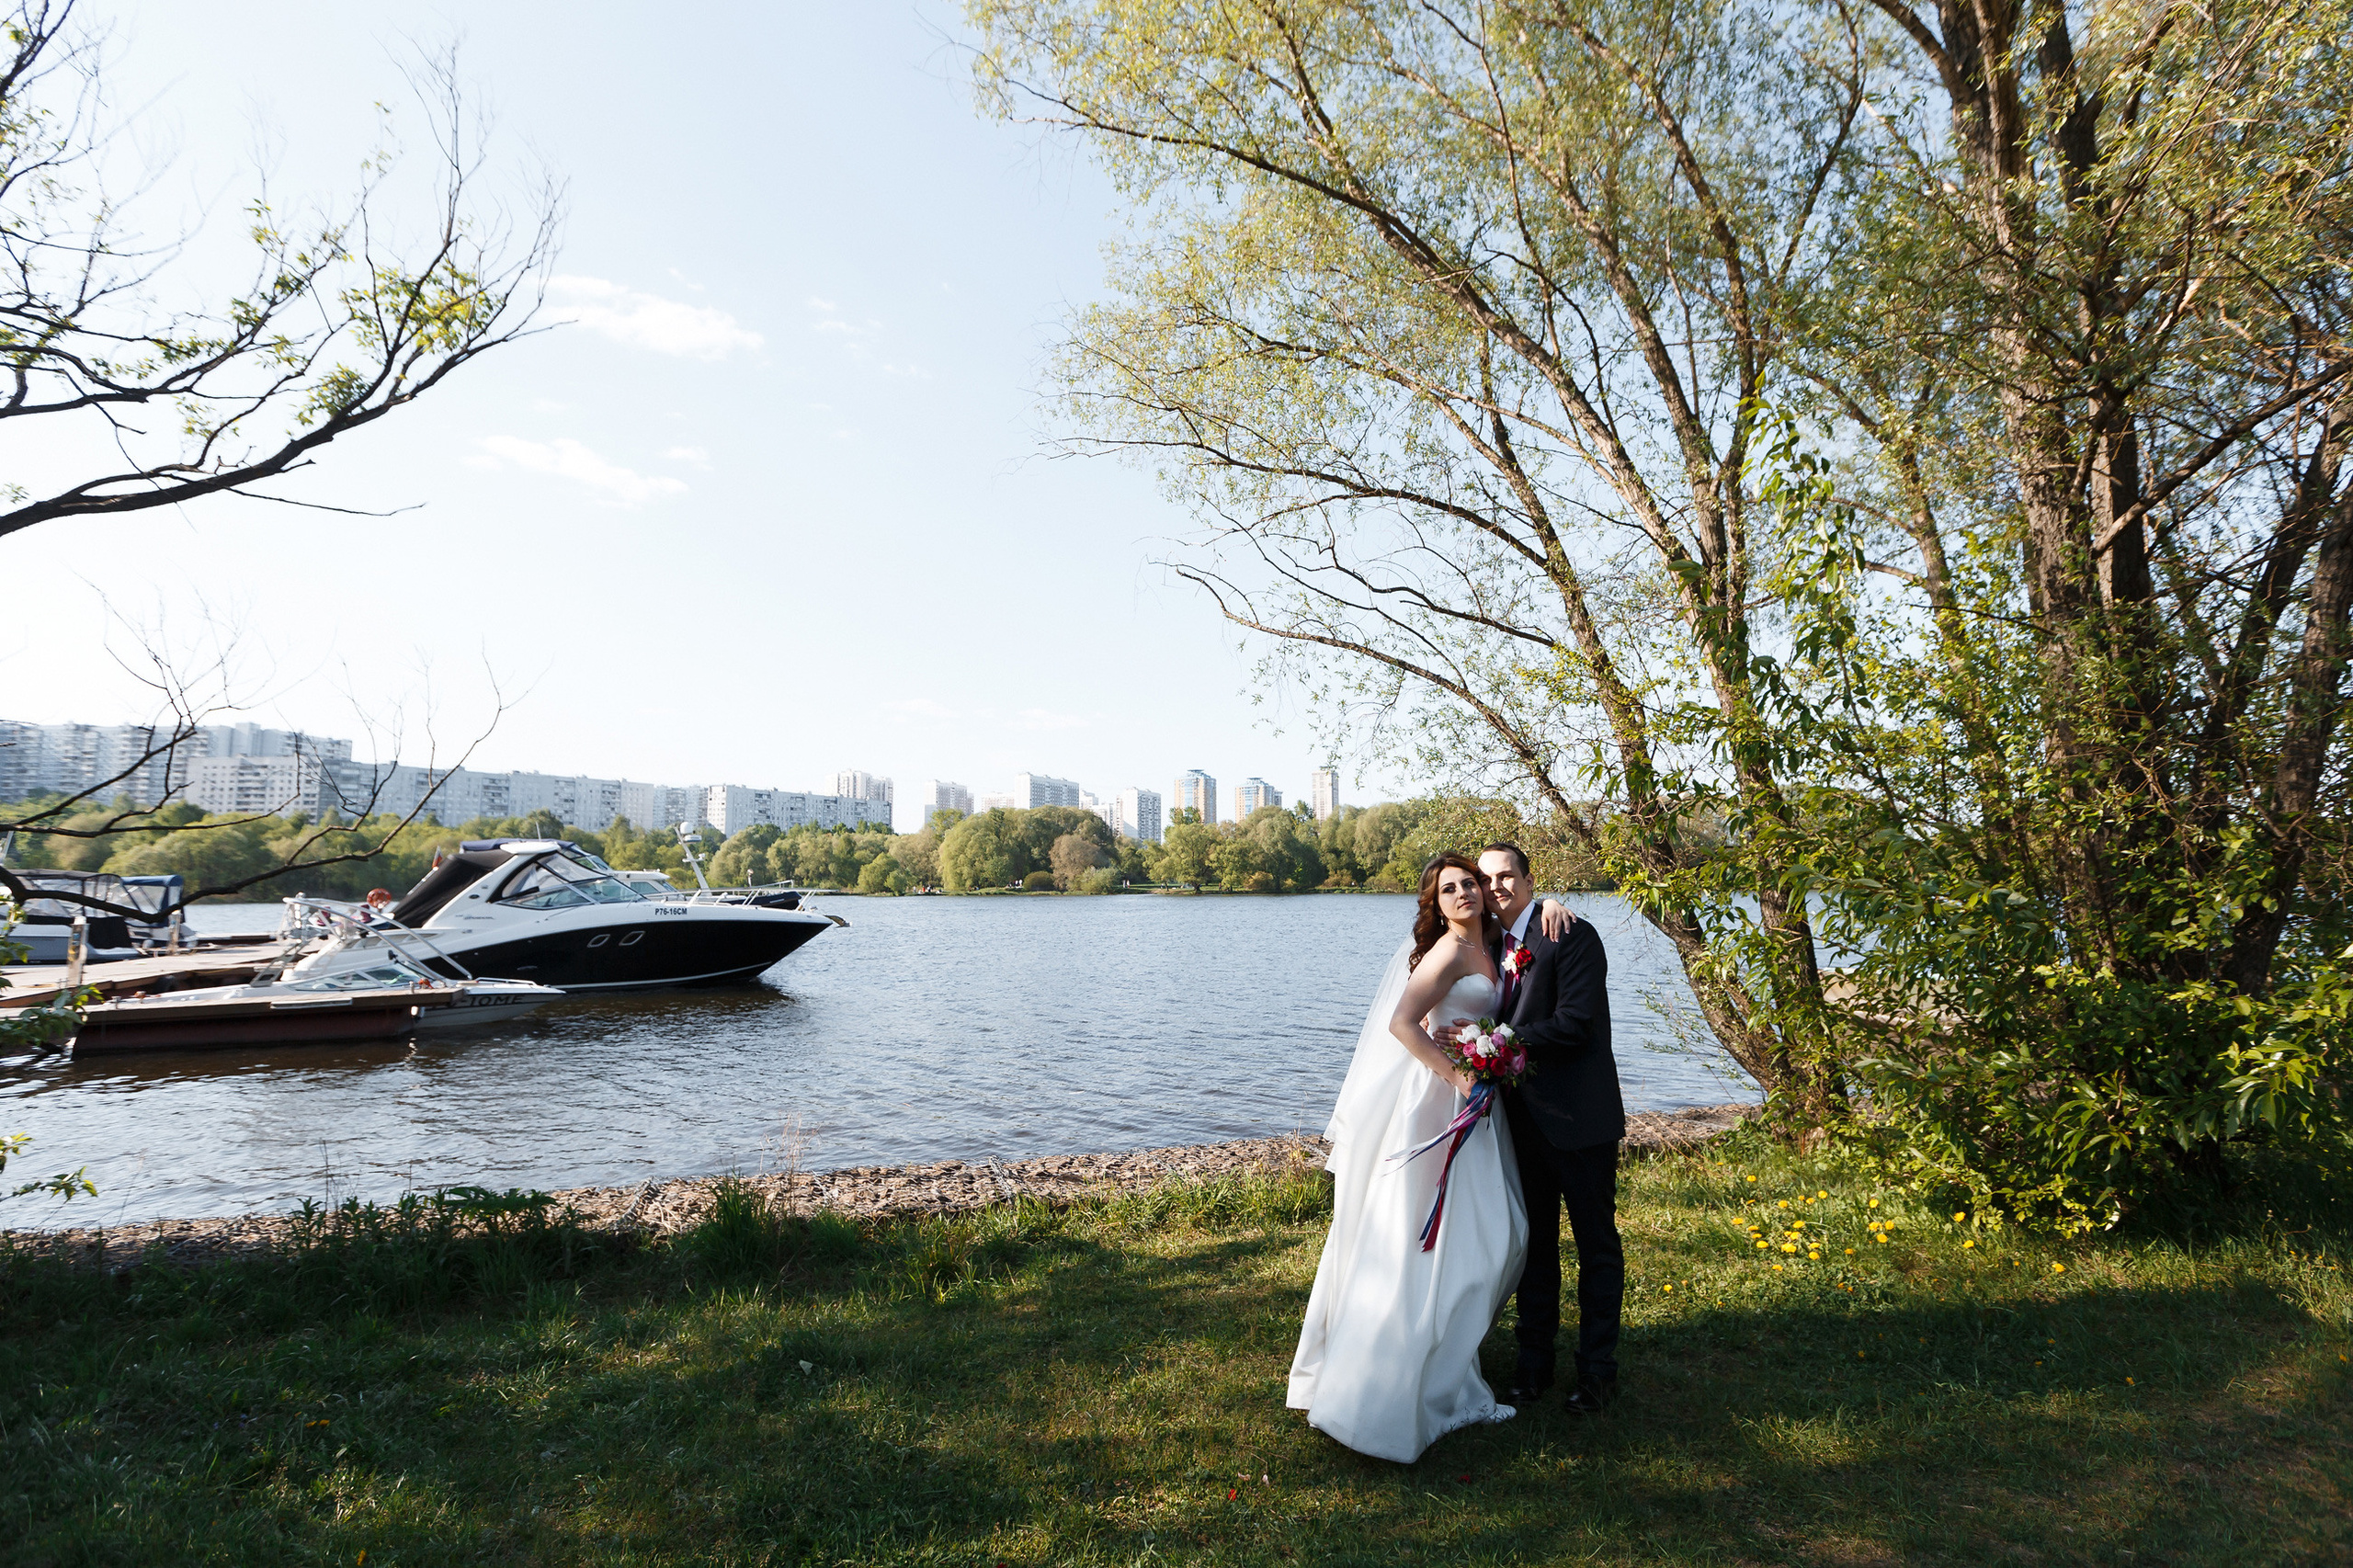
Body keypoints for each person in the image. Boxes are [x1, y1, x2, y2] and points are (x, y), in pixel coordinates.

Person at [1287, 860, 1578, 1461]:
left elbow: (1520, 914)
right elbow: (1402, 1023)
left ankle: (1446, 1365)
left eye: (1469, 882)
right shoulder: (1446, 953)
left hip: (1479, 1106)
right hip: (1438, 1105)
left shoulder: (1492, 942)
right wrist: (1458, 1074)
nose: (1465, 892)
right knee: (1436, 1242)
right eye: (1450, 888)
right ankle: (1417, 1384)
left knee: (1496, 1237)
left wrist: (1546, 901)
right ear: (1436, 902)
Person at [1474, 842, 1626, 1415]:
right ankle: (1533, 1366)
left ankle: (1596, 1374)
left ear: (1529, 878)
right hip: (1520, 1125)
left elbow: (1574, 1024)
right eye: (1485, 879)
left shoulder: (1573, 934)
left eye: (1507, 875)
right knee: (1535, 1249)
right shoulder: (1490, 944)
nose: (1496, 888)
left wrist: (1499, 1042)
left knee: (1596, 1249)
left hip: (1579, 1121)